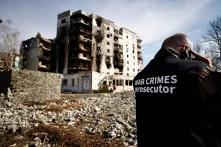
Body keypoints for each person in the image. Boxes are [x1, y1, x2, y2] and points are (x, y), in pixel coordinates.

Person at [133, 33, 221, 147]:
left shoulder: (139, 77)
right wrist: (208, 69)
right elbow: (216, 109)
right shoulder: (197, 70)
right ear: (186, 49)